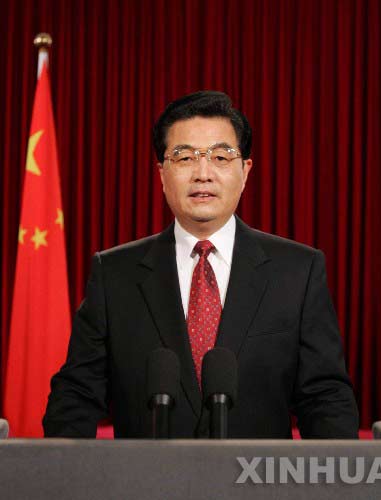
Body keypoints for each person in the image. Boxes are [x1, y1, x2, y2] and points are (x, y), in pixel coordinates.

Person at [43, 91, 359, 438]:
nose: (203, 173)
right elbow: (76, 396)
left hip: (256, 473)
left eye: (221, 157)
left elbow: (325, 398)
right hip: (147, 473)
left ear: (245, 171)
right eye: (185, 158)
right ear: (162, 174)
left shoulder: (297, 271)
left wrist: (335, 470)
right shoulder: (114, 274)